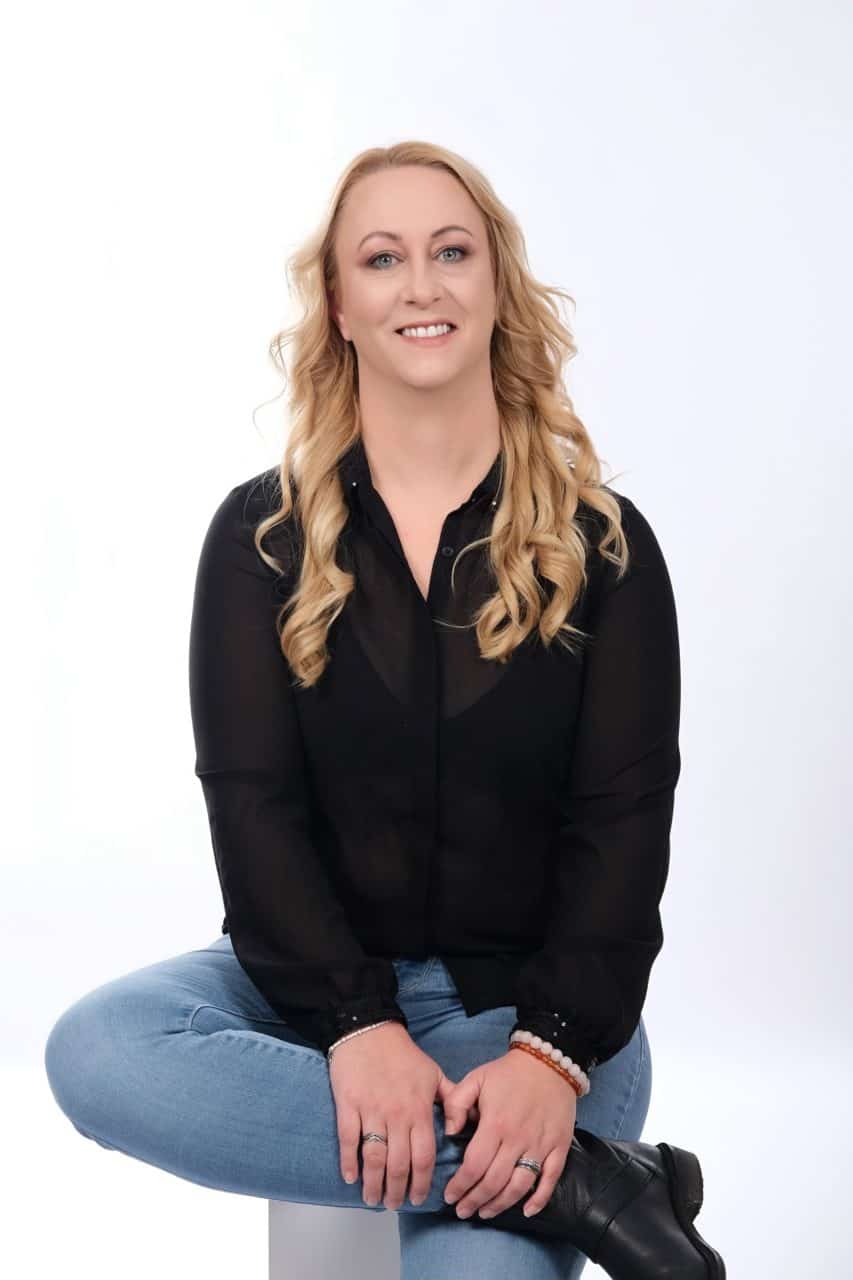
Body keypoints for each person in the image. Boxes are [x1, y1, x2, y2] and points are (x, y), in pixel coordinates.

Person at [44, 141, 725, 1278]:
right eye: (381, 258)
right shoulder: (261, 537)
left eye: (451, 252)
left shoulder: (603, 545)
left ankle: (537, 1143)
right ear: (339, 304)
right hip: (304, 998)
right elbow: (253, 814)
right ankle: (590, 1184)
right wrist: (356, 1025)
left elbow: (622, 828)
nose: (420, 284)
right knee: (100, 1048)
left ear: (495, 284)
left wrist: (547, 1058)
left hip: (538, 1022)